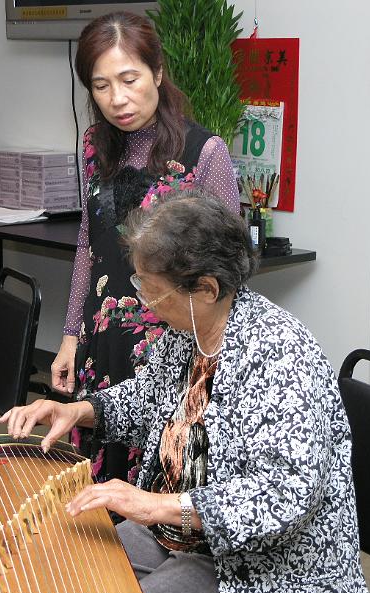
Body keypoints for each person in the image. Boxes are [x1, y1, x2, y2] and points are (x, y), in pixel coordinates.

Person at [2, 190, 370, 593]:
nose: (146, 303)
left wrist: (154, 506)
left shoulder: (282, 355)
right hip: (176, 531)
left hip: (255, 563)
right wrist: (80, 411)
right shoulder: (190, 332)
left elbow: (285, 495)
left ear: (207, 289)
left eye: (154, 292)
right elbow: (148, 398)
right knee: (64, 567)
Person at [52, 11, 240, 484]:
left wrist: (208, 359)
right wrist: (70, 335)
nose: (117, 99)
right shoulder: (94, 145)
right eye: (100, 85)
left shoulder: (204, 152)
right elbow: (87, 244)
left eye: (130, 79)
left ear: (157, 72)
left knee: (156, 483)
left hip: (171, 343)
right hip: (103, 337)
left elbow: (231, 272)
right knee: (97, 474)